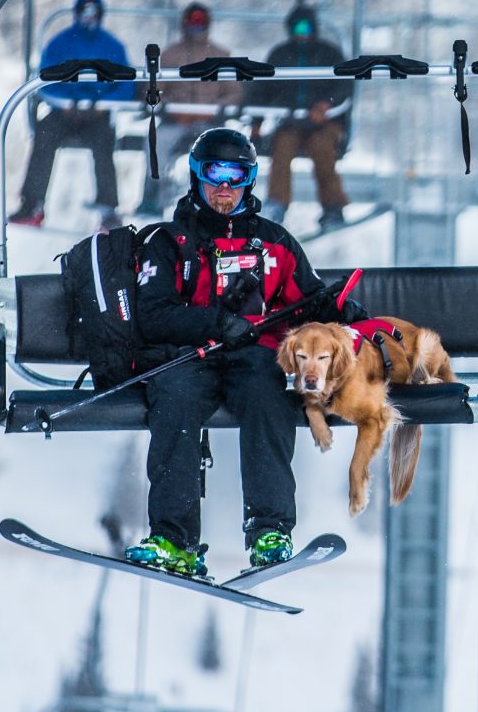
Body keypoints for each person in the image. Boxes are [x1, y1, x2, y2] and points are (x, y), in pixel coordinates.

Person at [124, 126, 367, 577]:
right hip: (190, 357)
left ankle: (269, 529)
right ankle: (174, 538)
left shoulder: (274, 241)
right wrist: (214, 323)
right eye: (215, 174)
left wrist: (336, 308)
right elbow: (152, 314)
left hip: (253, 358)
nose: (224, 187)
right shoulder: (170, 242)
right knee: (174, 398)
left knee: (269, 389)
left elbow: (305, 300)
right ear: (197, 175)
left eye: (236, 176)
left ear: (250, 179)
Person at [12, 0, 132, 228]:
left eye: (93, 13)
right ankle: (32, 205)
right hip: (63, 113)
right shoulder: (60, 43)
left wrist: (102, 104)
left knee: (105, 141)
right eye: (84, 12)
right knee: (44, 135)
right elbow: (44, 81)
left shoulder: (112, 46)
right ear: (77, 13)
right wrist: (66, 102)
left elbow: (127, 85)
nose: (89, 18)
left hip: (97, 114)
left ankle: (108, 209)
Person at [140, 2, 240, 217]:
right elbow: (153, 89)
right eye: (192, 22)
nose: (197, 27)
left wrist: (216, 109)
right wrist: (169, 109)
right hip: (176, 121)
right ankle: (152, 195)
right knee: (156, 142)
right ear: (184, 24)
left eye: (201, 22)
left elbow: (234, 92)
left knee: (224, 151)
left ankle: (225, 200)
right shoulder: (169, 55)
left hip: (210, 122)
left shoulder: (221, 55)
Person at [260, 0, 354, 225]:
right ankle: (277, 204)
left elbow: (344, 84)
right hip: (292, 120)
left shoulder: (329, 54)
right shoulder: (281, 55)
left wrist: (327, 104)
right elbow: (262, 88)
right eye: (297, 28)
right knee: (281, 149)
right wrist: (255, 120)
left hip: (324, 122)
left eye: (307, 28)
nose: (302, 33)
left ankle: (332, 206)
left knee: (323, 150)